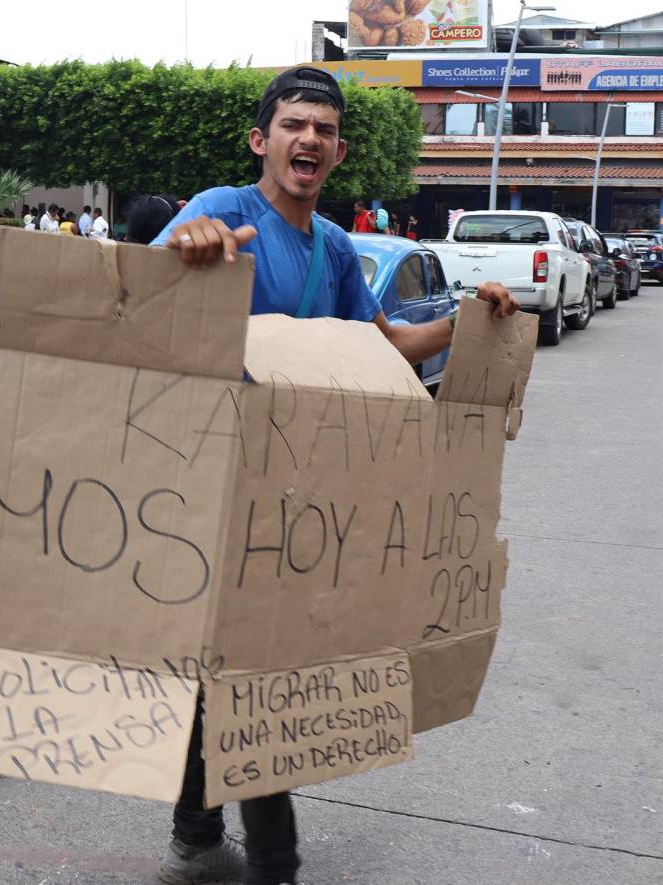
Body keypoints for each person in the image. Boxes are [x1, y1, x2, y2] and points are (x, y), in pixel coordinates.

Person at [151, 66, 519, 885]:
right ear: (262, 140)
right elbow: (135, 307)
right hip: (211, 486)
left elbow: (382, 348)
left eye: (322, 128)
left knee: (237, 672)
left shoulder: (339, 248)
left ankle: (193, 823)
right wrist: (187, 257)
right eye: (292, 124)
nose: (308, 138)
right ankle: (272, 863)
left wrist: (467, 323)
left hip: (299, 497)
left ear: (339, 150)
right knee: (255, 674)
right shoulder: (220, 211)